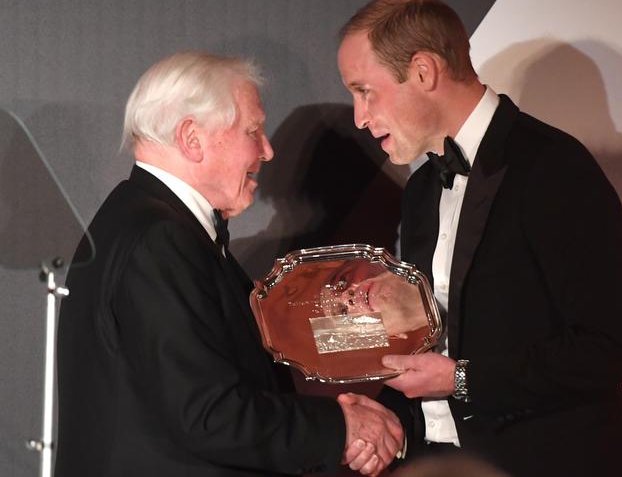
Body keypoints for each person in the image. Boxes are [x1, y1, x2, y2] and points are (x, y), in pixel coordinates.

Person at [336, 0, 622, 477]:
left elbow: (613, 347)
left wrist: (461, 380)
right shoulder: (421, 188)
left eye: (365, 91)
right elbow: (458, 328)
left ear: (423, 72)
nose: (358, 116)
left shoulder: (553, 169)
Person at [54, 51, 403, 477]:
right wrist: (341, 428)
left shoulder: (143, 221)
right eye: (253, 131)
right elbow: (210, 415)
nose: (268, 151)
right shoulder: (160, 240)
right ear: (192, 138)